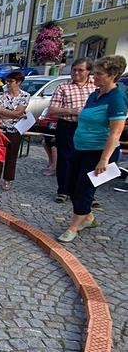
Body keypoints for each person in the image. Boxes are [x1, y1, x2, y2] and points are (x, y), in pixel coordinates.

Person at [58, 55, 127, 243]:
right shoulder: (94, 95)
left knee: (84, 188)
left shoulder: (117, 98)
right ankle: (87, 217)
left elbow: (116, 132)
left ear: (112, 75)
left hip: (99, 151)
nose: (93, 77)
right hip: (81, 147)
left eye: (98, 74)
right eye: (94, 73)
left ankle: (73, 227)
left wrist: (104, 159)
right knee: (71, 185)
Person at [48, 59, 95, 203]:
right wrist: (72, 111)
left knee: (87, 160)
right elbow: (52, 110)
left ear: (88, 71)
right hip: (68, 125)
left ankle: (85, 193)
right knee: (65, 158)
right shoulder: (63, 87)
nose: (76, 72)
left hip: (89, 127)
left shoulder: (95, 86)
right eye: (74, 69)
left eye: (80, 70)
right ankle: (63, 190)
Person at [0, 71, 31, 191]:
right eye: (7, 81)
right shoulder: (0, 95)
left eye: (10, 81)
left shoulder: (25, 96)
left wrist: (5, 112)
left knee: (11, 156)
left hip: (15, 130)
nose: (8, 83)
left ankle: (8, 179)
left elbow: (18, 112)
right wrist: (13, 114)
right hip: (0, 129)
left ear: (18, 82)